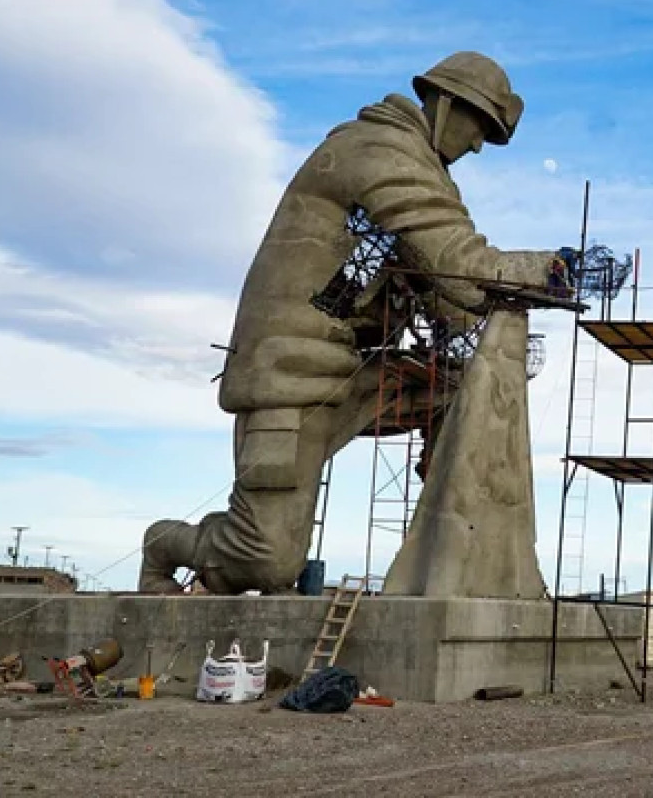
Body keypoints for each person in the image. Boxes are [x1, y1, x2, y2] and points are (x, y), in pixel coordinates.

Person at [139, 52, 565, 594]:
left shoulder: (424, 171)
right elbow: (455, 261)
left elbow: (446, 298)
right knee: (267, 561)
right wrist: (543, 271)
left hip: (358, 375)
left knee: (463, 391)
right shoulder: (381, 149)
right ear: (447, 104)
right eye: (479, 126)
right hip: (293, 373)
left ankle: (452, 534)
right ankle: (164, 546)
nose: (478, 144)